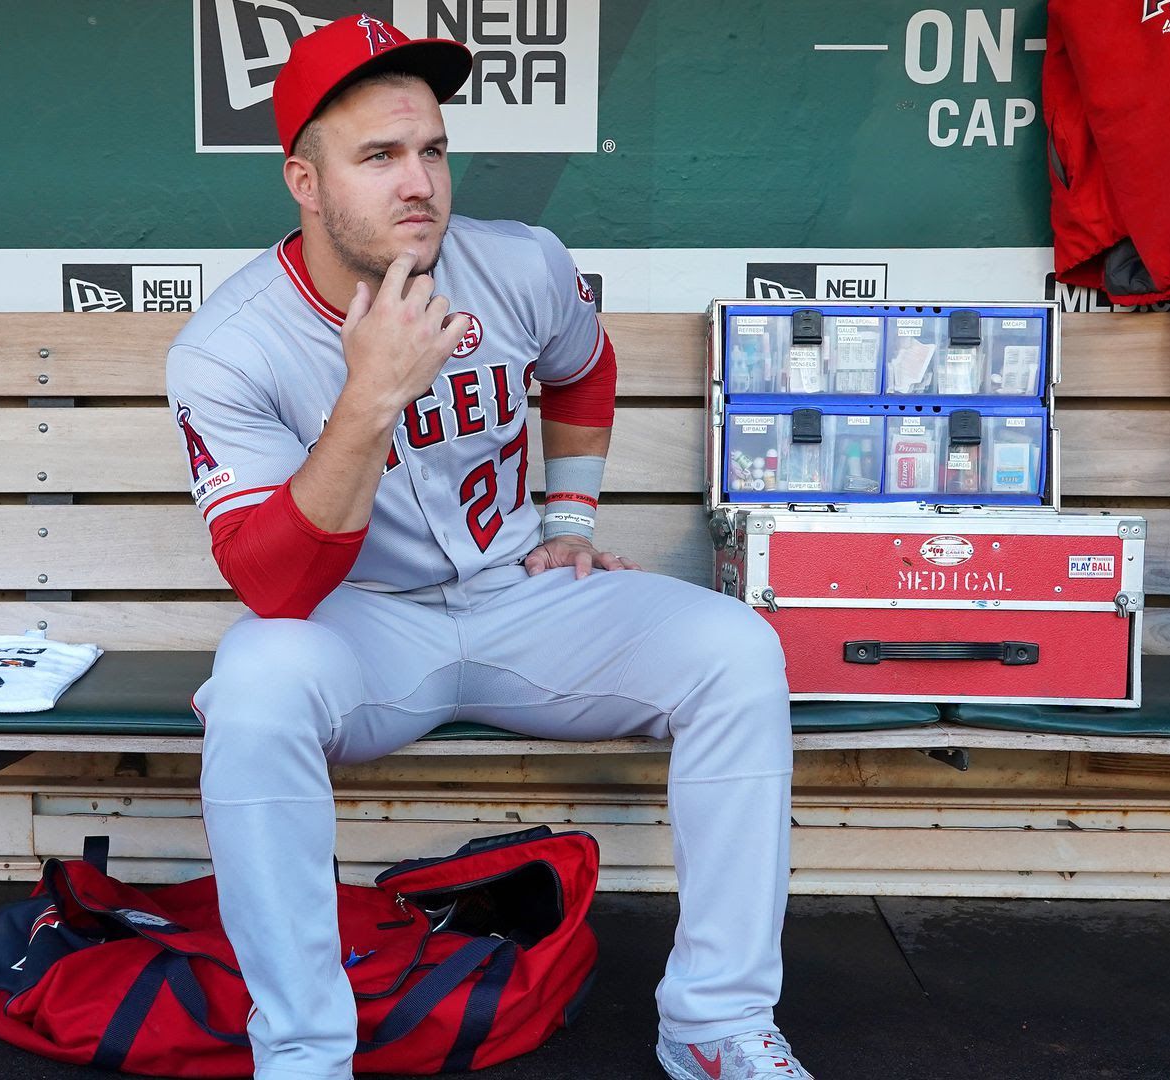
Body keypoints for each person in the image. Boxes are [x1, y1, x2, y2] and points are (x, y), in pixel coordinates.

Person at [163, 14, 813, 1080]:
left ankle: (717, 1024)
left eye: (430, 150)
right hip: (359, 626)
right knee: (257, 683)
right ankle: (304, 1057)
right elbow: (276, 585)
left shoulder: (517, 264)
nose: (417, 181)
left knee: (735, 651)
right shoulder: (230, 347)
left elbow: (583, 369)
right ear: (306, 182)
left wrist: (569, 521)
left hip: (522, 602)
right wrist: (370, 395)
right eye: (378, 156)